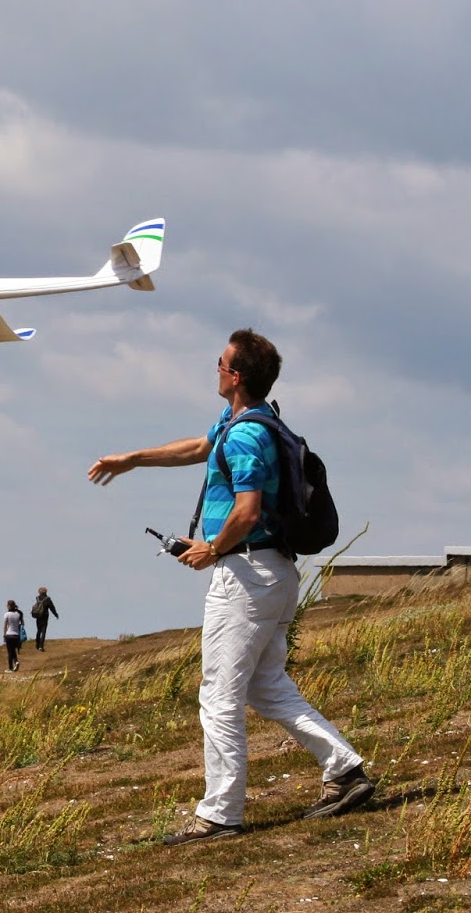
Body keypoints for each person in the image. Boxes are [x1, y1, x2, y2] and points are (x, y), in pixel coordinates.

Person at [88, 328, 375, 846]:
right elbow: (200, 448)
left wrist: (212, 548)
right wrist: (131, 459)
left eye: (219, 364)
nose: (215, 370)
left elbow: (246, 511)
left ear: (235, 376)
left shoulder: (245, 436)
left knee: (219, 694)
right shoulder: (245, 421)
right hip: (273, 571)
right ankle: (345, 771)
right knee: (267, 686)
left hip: (245, 575)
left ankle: (220, 815)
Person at [2, 600, 25, 672]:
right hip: (17, 635)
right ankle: (16, 661)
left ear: (8, 606)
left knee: (10, 652)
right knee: (13, 650)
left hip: (9, 634)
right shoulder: (18, 614)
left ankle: (10, 668)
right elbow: (23, 623)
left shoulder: (7, 614)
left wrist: (4, 635)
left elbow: (5, 626)